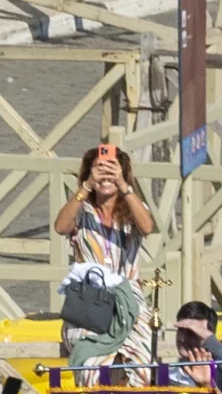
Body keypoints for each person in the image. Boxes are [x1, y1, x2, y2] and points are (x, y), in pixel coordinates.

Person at [54, 141, 157, 368]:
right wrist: (87, 186)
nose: (106, 175)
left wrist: (122, 184)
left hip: (129, 296)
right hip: (89, 297)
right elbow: (61, 227)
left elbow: (147, 227)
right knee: (92, 361)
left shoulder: (132, 208)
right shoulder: (81, 211)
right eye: (100, 169)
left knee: (139, 360)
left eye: (112, 169)